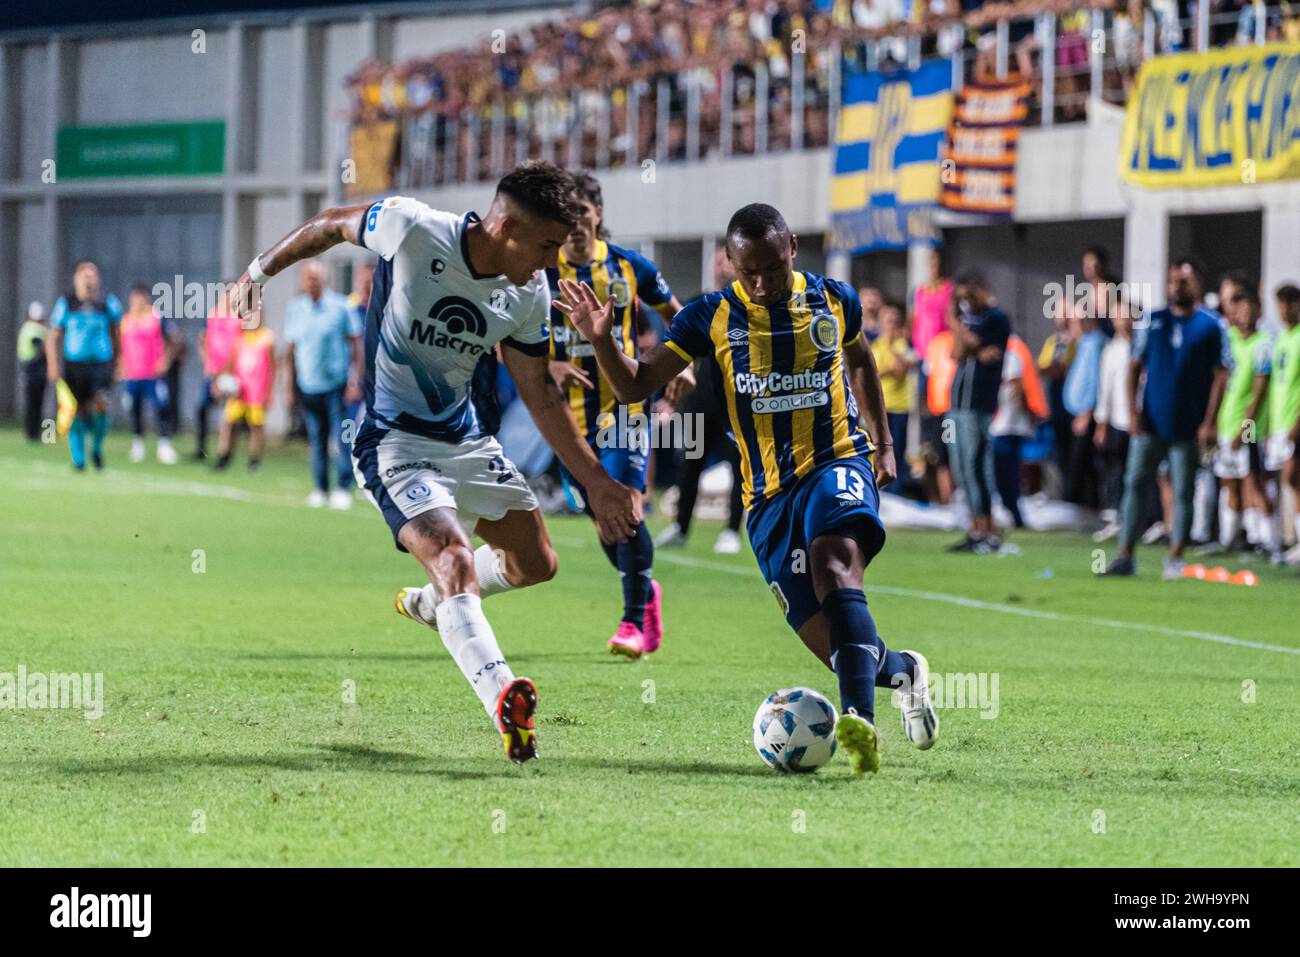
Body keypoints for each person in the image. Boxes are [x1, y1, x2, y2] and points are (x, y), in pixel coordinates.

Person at [229, 162, 640, 764]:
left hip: (466, 442)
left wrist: (598, 482)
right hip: (394, 443)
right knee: (452, 557)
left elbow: (540, 393)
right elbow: (328, 225)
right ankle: (505, 696)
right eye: (547, 245)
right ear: (505, 227)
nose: (553, 261)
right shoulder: (412, 227)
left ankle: (431, 604)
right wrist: (257, 273)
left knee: (537, 563)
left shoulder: (528, 294)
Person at [558, 202, 938, 777]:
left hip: (837, 459)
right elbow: (635, 385)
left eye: (771, 269)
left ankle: (860, 721)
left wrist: (883, 443)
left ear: (792, 249)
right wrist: (602, 339)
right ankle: (903, 669)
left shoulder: (835, 299)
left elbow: (860, 359)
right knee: (831, 641)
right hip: (765, 497)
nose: (760, 285)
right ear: (730, 265)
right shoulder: (708, 317)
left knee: (833, 562)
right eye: (746, 273)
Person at [544, 171, 687, 658]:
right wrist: (551, 363)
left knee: (624, 506)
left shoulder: (629, 268)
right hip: (568, 419)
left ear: (598, 214)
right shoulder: (540, 273)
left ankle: (631, 622)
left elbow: (680, 316)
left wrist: (679, 363)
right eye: (567, 216)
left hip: (625, 408)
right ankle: (646, 591)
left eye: (583, 213)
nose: (575, 225)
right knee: (600, 516)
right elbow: (506, 343)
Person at [1101, 257, 1232, 579]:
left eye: (1183, 282)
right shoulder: (1151, 319)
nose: (1176, 287)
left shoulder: (1212, 325)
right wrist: (1132, 412)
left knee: (1183, 490)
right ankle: (1125, 554)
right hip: (1151, 422)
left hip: (1188, 425)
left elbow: (1221, 375)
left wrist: (1210, 421)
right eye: (1172, 281)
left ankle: (1175, 556)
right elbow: (1134, 367)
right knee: (1135, 483)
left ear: (1197, 283)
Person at [656, 244, 745, 554]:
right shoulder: (699, 304)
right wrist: (671, 396)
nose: (722, 267)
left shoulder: (747, 308)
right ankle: (680, 527)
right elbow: (675, 352)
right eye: (717, 261)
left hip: (737, 401)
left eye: (727, 261)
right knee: (688, 463)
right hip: (699, 399)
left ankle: (732, 531)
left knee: (739, 466)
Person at [283, 262, 364, 509]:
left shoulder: (341, 306)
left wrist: (355, 381)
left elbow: (356, 345)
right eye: (307, 277)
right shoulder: (295, 308)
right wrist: (288, 387)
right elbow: (290, 351)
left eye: (315, 277)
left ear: (324, 279)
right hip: (308, 385)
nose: (311, 281)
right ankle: (320, 488)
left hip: (337, 384)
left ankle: (342, 488)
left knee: (342, 438)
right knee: (316, 439)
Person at [1206, 273, 1275, 557]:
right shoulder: (1228, 339)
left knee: (1254, 482)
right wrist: (1211, 423)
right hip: (1225, 423)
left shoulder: (1263, 343)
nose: (1241, 314)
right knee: (1229, 482)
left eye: (1247, 308)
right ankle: (1230, 539)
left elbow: (1259, 392)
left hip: (1249, 428)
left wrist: (1244, 428)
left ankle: (1268, 542)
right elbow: (1221, 383)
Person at [946, 272, 1010, 553]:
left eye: (968, 297)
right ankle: (975, 529)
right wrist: (969, 344)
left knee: (976, 466)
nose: (966, 303)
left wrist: (954, 323)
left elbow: (972, 343)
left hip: (979, 403)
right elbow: (957, 353)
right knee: (961, 468)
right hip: (958, 401)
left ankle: (988, 531)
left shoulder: (996, 318)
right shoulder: (970, 322)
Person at [46, 261, 122, 471]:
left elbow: (116, 333)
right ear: (77, 279)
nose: (89, 279)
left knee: (101, 404)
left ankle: (97, 448)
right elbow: (53, 336)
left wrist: (119, 362)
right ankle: (78, 458)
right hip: (74, 365)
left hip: (101, 364)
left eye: (92, 275)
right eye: (84, 275)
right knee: (77, 410)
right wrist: (53, 366)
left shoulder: (107, 302)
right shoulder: (67, 303)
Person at [119, 284, 182, 464]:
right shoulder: (126, 320)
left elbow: (175, 339)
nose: (137, 303)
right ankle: (138, 444)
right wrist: (120, 364)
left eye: (141, 299)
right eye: (134, 299)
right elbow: (119, 345)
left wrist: (166, 360)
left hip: (153, 375)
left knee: (161, 408)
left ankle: (164, 444)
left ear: (146, 299)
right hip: (132, 375)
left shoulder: (156, 317)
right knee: (134, 409)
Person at [990, 334, 1045, 529]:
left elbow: (1016, 387)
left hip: (1007, 424)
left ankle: (1013, 513)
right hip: (1004, 424)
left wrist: (1022, 413)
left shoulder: (1009, 355)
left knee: (1007, 471)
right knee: (1006, 470)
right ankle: (1010, 511)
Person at [1093, 300, 1135, 542]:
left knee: (1137, 473)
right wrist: (1102, 423)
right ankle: (1114, 517)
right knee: (1115, 469)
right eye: (1119, 315)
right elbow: (1104, 389)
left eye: (1127, 315)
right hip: (1117, 419)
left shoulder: (1142, 347)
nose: (1124, 320)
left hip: (1139, 420)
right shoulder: (1111, 351)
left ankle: (1139, 520)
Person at [1263, 283, 1300, 563]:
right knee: (1282, 480)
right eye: (1281, 304)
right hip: (1278, 423)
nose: (1285, 309)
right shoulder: (1282, 339)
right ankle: (1276, 541)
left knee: (1293, 478)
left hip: (1294, 423)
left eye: (1290, 303)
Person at [214, 316, 275, 472]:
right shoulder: (239, 337)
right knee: (229, 423)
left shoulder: (266, 337)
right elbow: (230, 363)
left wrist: (269, 391)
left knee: (256, 426)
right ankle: (224, 456)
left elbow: (272, 366)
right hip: (239, 390)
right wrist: (222, 383)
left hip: (257, 390)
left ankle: (254, 461)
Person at [1061, 309, 1107, 507]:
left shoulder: (1096, 343)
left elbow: (1095, 380)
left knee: (1081, 463)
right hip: (1076, 411)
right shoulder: (1083, 343)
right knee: (1078, 462)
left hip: (1085, 413)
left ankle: (1079, 505)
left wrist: (1087, 411)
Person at [869, 301, 916, 494]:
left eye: (894, 321)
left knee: (896, 452)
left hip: (899, 406)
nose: (891, 325)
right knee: (875, 450)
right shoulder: (873, 345)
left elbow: (902, 368)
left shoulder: (902, 345)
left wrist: (891, 346)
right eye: (887, 320)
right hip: (877, 408)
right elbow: (869, 375)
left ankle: (895, 494)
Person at [195, 290, 242, 461]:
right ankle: (201, 449)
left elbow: (237, 347)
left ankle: (225, 453)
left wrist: (225, 374)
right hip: (212, 372)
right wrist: (207, 363)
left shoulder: (239, 318)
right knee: (201, 408)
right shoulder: (213, 315)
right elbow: (202, 340)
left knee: (228, 414)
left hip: (231, 373)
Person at [17, 302, 48, 442]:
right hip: (35, 369)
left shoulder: (25, 327)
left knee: (31, 403)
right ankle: (34, 434)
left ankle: (32, 433)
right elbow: (39, 348)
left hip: (27, 368)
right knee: (35, 403)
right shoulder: (36, 329)